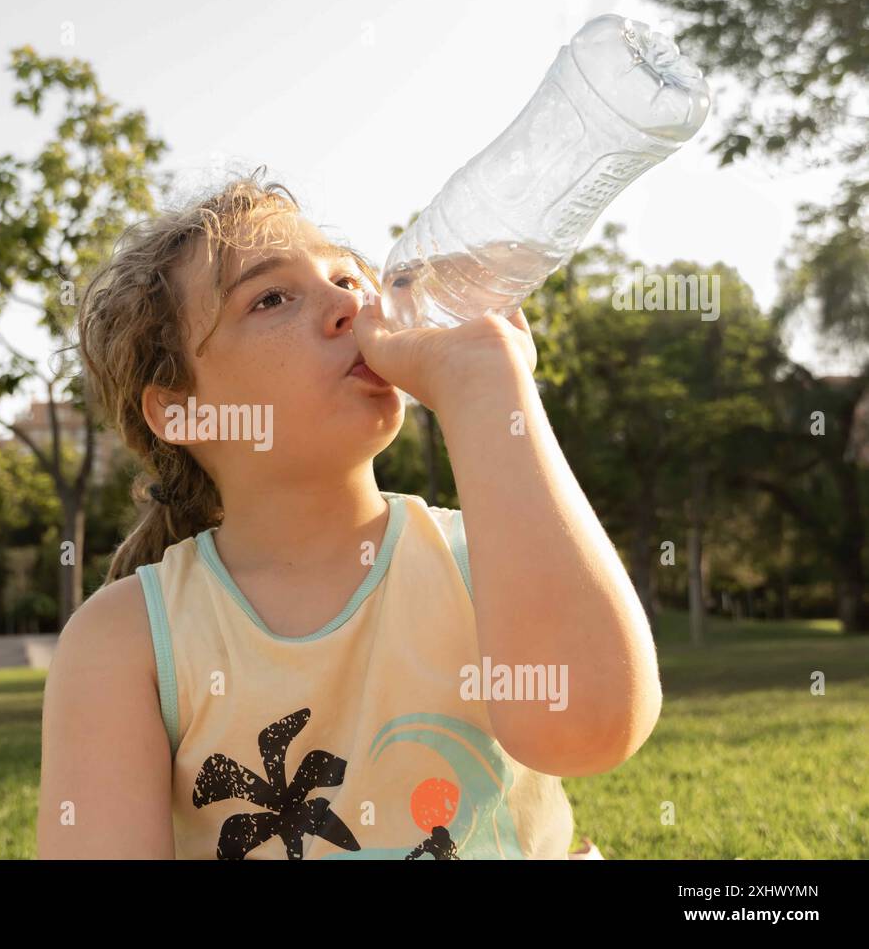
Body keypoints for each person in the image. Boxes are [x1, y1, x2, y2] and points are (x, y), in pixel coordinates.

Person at [38, 167, 658, 859]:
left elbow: (593, 727)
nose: (347, 307)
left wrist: (492, 385)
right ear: (180, 410)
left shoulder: (482, 556)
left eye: (347, 279)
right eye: (270, 298)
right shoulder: (126, 640)